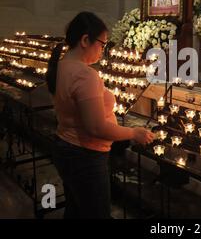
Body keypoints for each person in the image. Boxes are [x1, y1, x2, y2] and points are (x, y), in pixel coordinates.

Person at [46, 12, 154, 219]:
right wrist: (133, 132)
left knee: (76, 210)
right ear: (85, 40)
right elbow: (96, 127)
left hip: (65, 146)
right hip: (85, 155)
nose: (103, 51)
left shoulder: (60, 66)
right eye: (102, 44)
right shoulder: (85, 75)